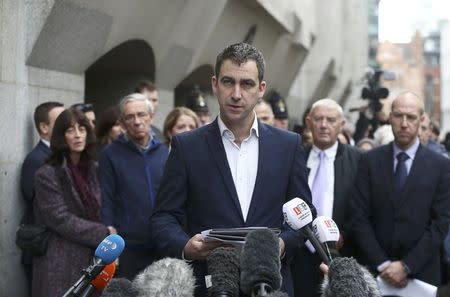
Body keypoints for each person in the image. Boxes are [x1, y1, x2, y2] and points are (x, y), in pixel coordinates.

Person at [150, 42, 313, 297]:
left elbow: (304, 215)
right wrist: (186, 246)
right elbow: (163, 217)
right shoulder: (187, 146)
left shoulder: (288, 145)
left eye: (246, 84)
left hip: (272, 285)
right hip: (210, 285)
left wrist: (281, 245)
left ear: (261, 90)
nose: (236, 94)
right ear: (215, 85)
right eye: (228, 82)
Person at [351, 91, 450, 288]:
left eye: (411, 117)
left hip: (422, 275)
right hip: (375, 273)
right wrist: (383, 264)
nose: (404, 123)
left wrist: (407, 266)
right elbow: (358, 216)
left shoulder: (440, 166)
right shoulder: (369, 161)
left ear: (422, 120)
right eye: (398, 115)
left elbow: (440, 223)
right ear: (390, 117)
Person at [32, 108, 111, 297]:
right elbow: (60, 218)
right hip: (61, 260)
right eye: (70, 130)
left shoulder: (93, 168)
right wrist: (103, 232)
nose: (77, 135)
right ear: (61, 136)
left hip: (93, 259)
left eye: (82, 129)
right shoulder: (47, 173)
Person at [291, 98, 361, 297]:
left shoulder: (358, 160)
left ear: (342, 125)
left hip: (341, 254)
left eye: (330, 120)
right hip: (298, 254)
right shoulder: (295, 157)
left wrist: (344, 234)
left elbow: (362, 208)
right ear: (308, 122)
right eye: (318, 119)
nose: (323, 125)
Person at [99, 93, 169, 279]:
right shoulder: (110, 154)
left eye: (142, 114)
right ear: (122, 122)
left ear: (151, 117)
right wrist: (109, 235)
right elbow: (107, 198)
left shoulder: (164, 152)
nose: (137, 121)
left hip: (162, 244)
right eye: (130, 117)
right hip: (129, 247)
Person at [19, 101, 64, 295]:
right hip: (43, 250)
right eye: (61, 121)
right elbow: (41, 205)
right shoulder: (36, 159)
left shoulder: (63, 156)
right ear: (44, 127)